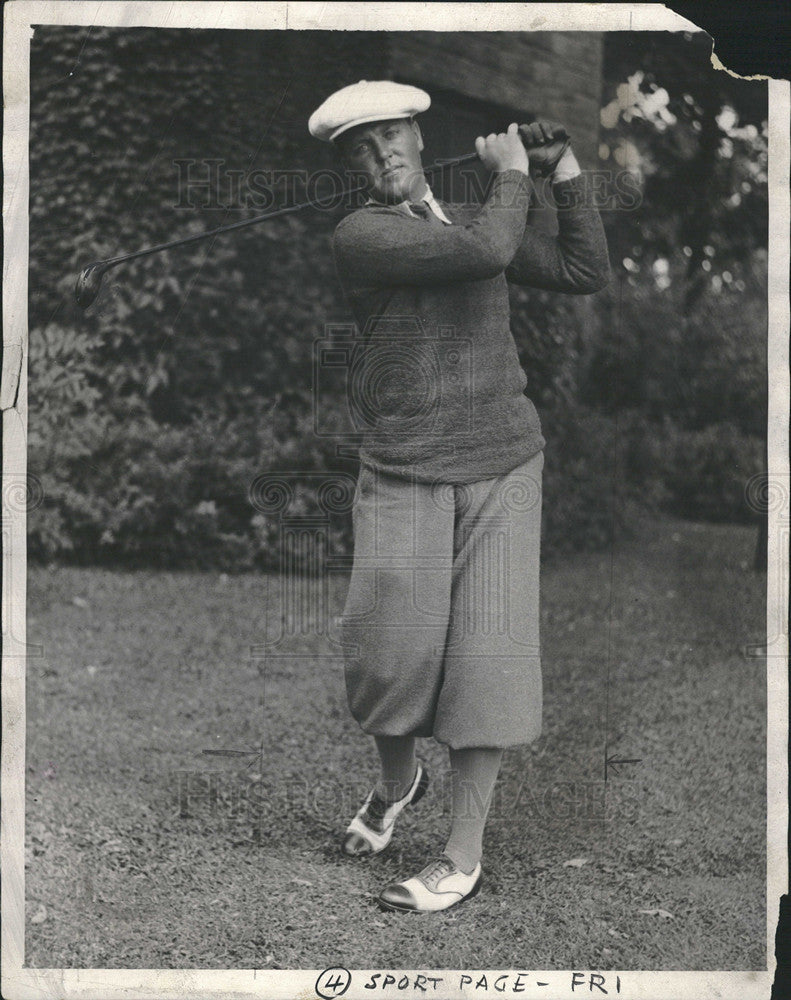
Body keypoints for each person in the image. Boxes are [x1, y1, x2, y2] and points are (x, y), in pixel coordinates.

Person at [308, 80, 610, 913]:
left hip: (503, 461)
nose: (383, 156)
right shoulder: (359, 235)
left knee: (488, 662)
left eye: (393, 137)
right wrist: (514, 172)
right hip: (405, 463)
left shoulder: (471, 220)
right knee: (389, 651)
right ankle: (396, 781)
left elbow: (585, 269)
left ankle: (460, 856)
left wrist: (562, 168)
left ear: (416, 132)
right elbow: (485, 254)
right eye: (362, 150)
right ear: (351, 166)